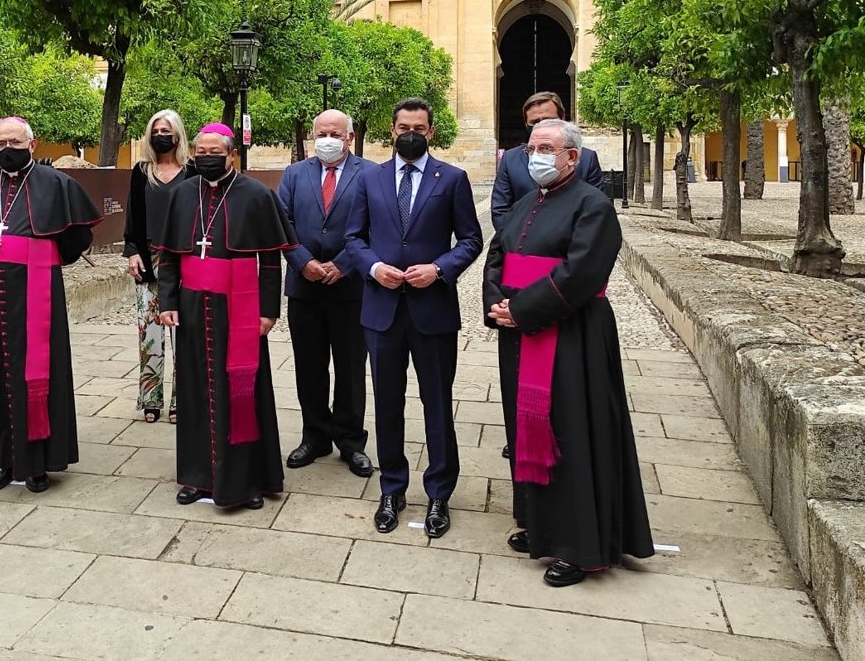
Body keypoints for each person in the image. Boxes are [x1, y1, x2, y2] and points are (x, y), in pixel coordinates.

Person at [484, 118, 653, 587]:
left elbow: (581, 273)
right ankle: (543, 525)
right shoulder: (526, 202)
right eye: (531, 148)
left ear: (572, 157)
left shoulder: (593, 205)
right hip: (521, 333)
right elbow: (497, 256)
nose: (535, 156)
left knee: (572, 431)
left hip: (572, 334)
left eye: (546, 149)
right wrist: (497, 305)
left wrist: (522, 309)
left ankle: (579, 545)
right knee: (528, 427)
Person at [345, 98, 483, 538]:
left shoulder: (453, 179)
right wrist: (373, 268)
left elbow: (471, 240)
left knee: (436, 403)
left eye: (418, 128)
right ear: (392, 129)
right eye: (403, 127)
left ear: (431, 132)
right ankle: (392, 488)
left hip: (432, 310)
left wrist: (439, 269)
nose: (410, 134)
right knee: (387, 403)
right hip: (381, 310)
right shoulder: (370, 178)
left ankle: (439, 492)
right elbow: (353, 237)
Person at [0, 117, 100, 494]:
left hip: (37, 290)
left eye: (15, 142)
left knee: (39, 371)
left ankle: (37, 461)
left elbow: (79, 235)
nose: (8, 149)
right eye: (1, 143)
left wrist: (44, 255)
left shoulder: (58, 183)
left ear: (32, 145)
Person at [156, 123, 297, 510]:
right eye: (200, 152)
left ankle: (248, 480)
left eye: (214, 152)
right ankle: (197, 477)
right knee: (194, 390)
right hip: (191, 306)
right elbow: (168, 257)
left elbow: (270, 260)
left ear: (232, 154)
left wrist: (268, 310)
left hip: (240, 305)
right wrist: (167, 302)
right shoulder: (182, 193)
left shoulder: (256, 194)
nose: (206, 158)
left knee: (243, 388)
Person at [277, 110, 374, 478]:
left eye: (335, 133)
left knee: (351, 368)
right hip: (304, 286)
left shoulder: (370, 174)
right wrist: (302, 261)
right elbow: (282, 222)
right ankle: (315, 436)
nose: (327, 139)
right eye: (321, 133)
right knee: (309, 366)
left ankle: (350, 441)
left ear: (349, 138)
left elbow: (376, 224)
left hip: (351, 287)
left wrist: (345, 263)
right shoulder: (294, 174)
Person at [123, 110, 191, 424]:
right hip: (149, 259)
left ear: (177, 135)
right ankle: (151, 398)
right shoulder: (141, 172)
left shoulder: (192, 172)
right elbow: (133, 216)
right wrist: (132, 252)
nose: (161, 135)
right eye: (156, 130)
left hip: (184, 259)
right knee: (149, 333)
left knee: (182, 332)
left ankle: (182, 400)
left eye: (166, 130)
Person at [491, 91, 604, 233]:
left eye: (548, 121)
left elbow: (598, 212)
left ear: (562, 118)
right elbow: (501, 213)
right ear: (526, 124)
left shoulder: (587, 159)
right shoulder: (510, 159)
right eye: (535, 122)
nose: (541, 126)